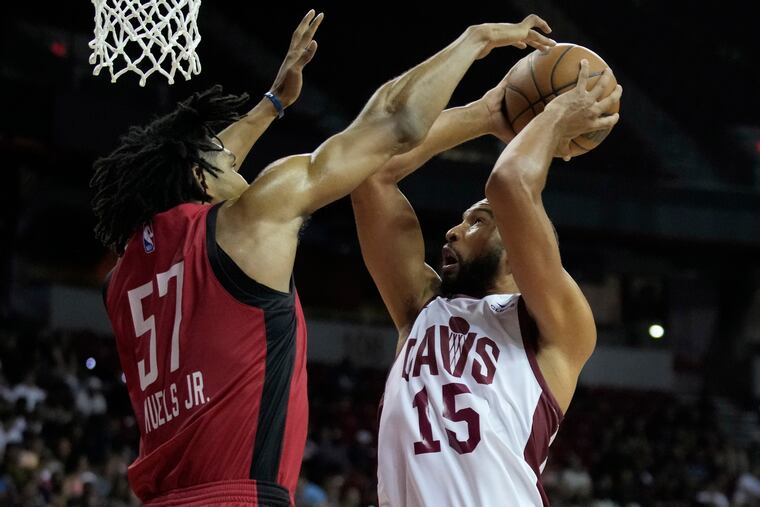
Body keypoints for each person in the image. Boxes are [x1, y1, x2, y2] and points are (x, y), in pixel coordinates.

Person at [90, 7, 556, 506]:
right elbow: (395, 122)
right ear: (202, 179)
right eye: (228, 161)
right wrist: (476, 39)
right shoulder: (249, 219)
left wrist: (272, 103)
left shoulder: (122, 280)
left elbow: (187, 173)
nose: (239, 164)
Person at [351, 59, 621, 506]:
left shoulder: (556, 325)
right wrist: (485, 113)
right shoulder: (420, 307)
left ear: (517, 251)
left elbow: (509, 182)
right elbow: (371, 174)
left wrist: (555, 113)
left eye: (477, 222)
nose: (454, 232)